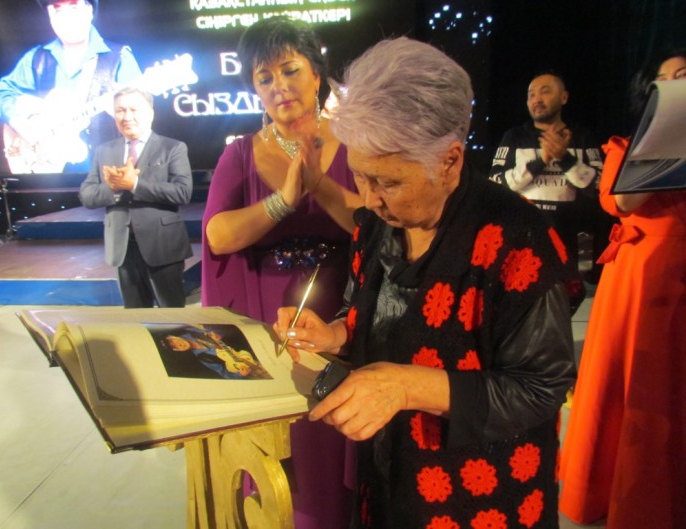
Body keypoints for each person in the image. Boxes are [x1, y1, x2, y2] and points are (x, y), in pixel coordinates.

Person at [274, 37, 577, 529]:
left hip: (480, 494)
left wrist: (408, 386)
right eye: (360, 176)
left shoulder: (517, 239)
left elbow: (541, 387)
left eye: (389, 182)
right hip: (391, 475)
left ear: (450, 161)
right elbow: (366, 313)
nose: (370, 198)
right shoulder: (378, 224)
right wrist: (333, 334)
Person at [201, 16, 362, 529]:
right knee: (280, 440)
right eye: (264, 77)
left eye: (290, 70)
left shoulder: (356, 143)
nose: (279, 86)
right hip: (264, 317)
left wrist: (319, 186)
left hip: (340, 313)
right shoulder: (240, 154)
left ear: (316, 74)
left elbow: (377, 228)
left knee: (332, 436)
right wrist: (282, 201)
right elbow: (218, 236)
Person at [559, 49, 686, 529]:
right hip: (642, 279)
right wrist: (668, 141)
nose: (678, 87)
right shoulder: (624, 146)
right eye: (667, 80)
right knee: (643, 388)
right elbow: (624, 200)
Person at [0, 0, 142, 174]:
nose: (66, 17)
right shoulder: (36, 58)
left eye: (74, 7)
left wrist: (122, 112)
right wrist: (21, 125)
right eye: (57, 10)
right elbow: (3, 93)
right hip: (48, 174)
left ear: (89, 11)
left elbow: (141, 120)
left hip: (106, 175)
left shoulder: (119, 57)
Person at [79, 86, 193, 308]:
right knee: (135, 316)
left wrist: (135, 184)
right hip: (121, 247)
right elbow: (87, 195)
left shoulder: (172, 147)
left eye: (134, 109)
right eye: (120, 111)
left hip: (162, 246)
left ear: (150, 113)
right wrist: (113, 188)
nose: (127, 116)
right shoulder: (104, 151)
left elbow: (182, 191)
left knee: (173, 316)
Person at [489, 71, 605, 275]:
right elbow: (495, 184)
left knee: (573, 292)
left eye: (545, 92)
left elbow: (601, 188)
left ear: (564, 97)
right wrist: (541, 161)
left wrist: (565, 158)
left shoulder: (582, 137)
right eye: (531, 95)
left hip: (572, 242)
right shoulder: (515, 136)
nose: (537, 99)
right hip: (523, 239)